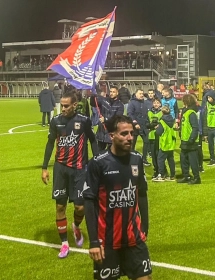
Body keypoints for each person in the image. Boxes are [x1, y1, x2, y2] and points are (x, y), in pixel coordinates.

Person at [83, 115, 152, 280]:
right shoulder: (98, 163)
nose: (130, 138)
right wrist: (93, 241)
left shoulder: (137, 159)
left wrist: (145, 227)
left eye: (131, 133)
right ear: (112, 135)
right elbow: (89, 202)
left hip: (134, 238)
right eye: (124, 134)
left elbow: (141, 193)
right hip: (106, 242)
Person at [41, 91, 99, 258]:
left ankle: (76, 225)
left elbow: (93, 140)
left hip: (80, 169)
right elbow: (50, 143)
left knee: (80, 207)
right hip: (60, 169)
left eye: (66, 106)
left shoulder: (84, 121)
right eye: (61, 105)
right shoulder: (56, 121)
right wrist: (44, 167)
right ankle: (64, 243)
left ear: (75, 105)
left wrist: (96, 161)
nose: (63, 108)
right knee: (60, 206)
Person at [90, 86, 124, 150]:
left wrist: (105, 119)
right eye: (110, 91)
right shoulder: (104, 100)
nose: (111, 93)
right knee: (99, 153)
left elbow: (117, 118)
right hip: (101, 132)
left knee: (110, 154)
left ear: (117, 93)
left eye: (113, 92)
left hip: (111, 132)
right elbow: (93, 103)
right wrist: (92, 96)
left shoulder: (120, 105)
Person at [177, 94, 201, 184]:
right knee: (183, 159)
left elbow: (195, 127)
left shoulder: (191, 113)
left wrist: (191, 139)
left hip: (191, 141)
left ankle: (196, 178)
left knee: (193, 160)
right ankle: (186, 176)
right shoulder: (185, 112)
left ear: (186, 102)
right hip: (184, 140)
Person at [128, 89, 151, 166]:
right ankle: (130, 159)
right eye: (140, 93)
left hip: (144, 127)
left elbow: (147, 115)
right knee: (132, 143)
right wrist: (135, 123)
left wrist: (148, 124)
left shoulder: (145, 103)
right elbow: (130, 114)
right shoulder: (132, 103)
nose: (142, 95)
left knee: (147, 142)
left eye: (142, 93)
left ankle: (144, 159)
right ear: (136, 94)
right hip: (135, 127)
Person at [153, 105, 176, 182]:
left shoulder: (162, 121)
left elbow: (159, 132)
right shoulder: (172, 120)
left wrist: (156, 128)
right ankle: (172, 175)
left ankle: (161, 175)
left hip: (164, 143)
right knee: (171, 159)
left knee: (160, 159)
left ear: (162, 112)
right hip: (171, 143)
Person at [146, 98, 162, 179]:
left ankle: (161, 171)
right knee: (153, 155)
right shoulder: (149, 112)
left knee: (159, 154)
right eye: (154, 103)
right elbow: (146, 124)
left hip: (159, 137)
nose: (156, 104)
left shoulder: (162, 112)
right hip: (151, 136)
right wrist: (152, 125)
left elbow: (163, 124)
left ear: (160, 104)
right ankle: (156, 170)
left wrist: (157, 125)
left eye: (157, 103)